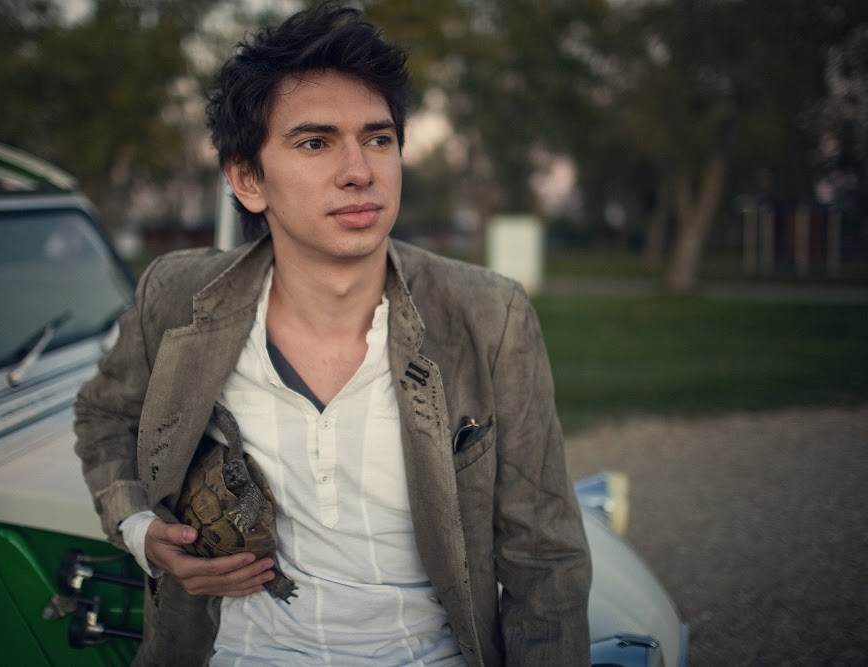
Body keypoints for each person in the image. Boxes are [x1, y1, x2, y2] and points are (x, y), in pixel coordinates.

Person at [74, 2, 591, 664]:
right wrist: (139, 526)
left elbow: (545, 557)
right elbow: (104, 416)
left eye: (378, 139)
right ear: (248, 179)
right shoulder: (176, 296)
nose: (359, 171)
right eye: (315, 143)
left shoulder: (489, 315)